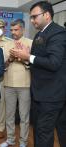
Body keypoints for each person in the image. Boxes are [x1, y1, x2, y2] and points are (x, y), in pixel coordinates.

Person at [10, 1, 66, 147]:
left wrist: (28, 57)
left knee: (44, 132)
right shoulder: (39, 35)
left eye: (35, 16)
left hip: (52, 95)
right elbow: (38, 61)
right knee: (40, 131)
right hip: (39, 93)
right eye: (31, 17)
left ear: (47, 15)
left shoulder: (58, 33)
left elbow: (54, 63)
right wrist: (26, 59)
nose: (32, 20)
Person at [0, 19, 32, 147]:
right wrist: (10, 59)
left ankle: (23, 142)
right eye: (12, 30)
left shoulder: (30, 43)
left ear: (23, 29)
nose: (13, 32)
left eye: (16, 29)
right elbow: (2, 66)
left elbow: (34, 64)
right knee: (9, 115)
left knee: (24, 116)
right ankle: (11, 140)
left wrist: (24, 58)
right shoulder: (7, 45)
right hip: (8, 84)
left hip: (25, 84)